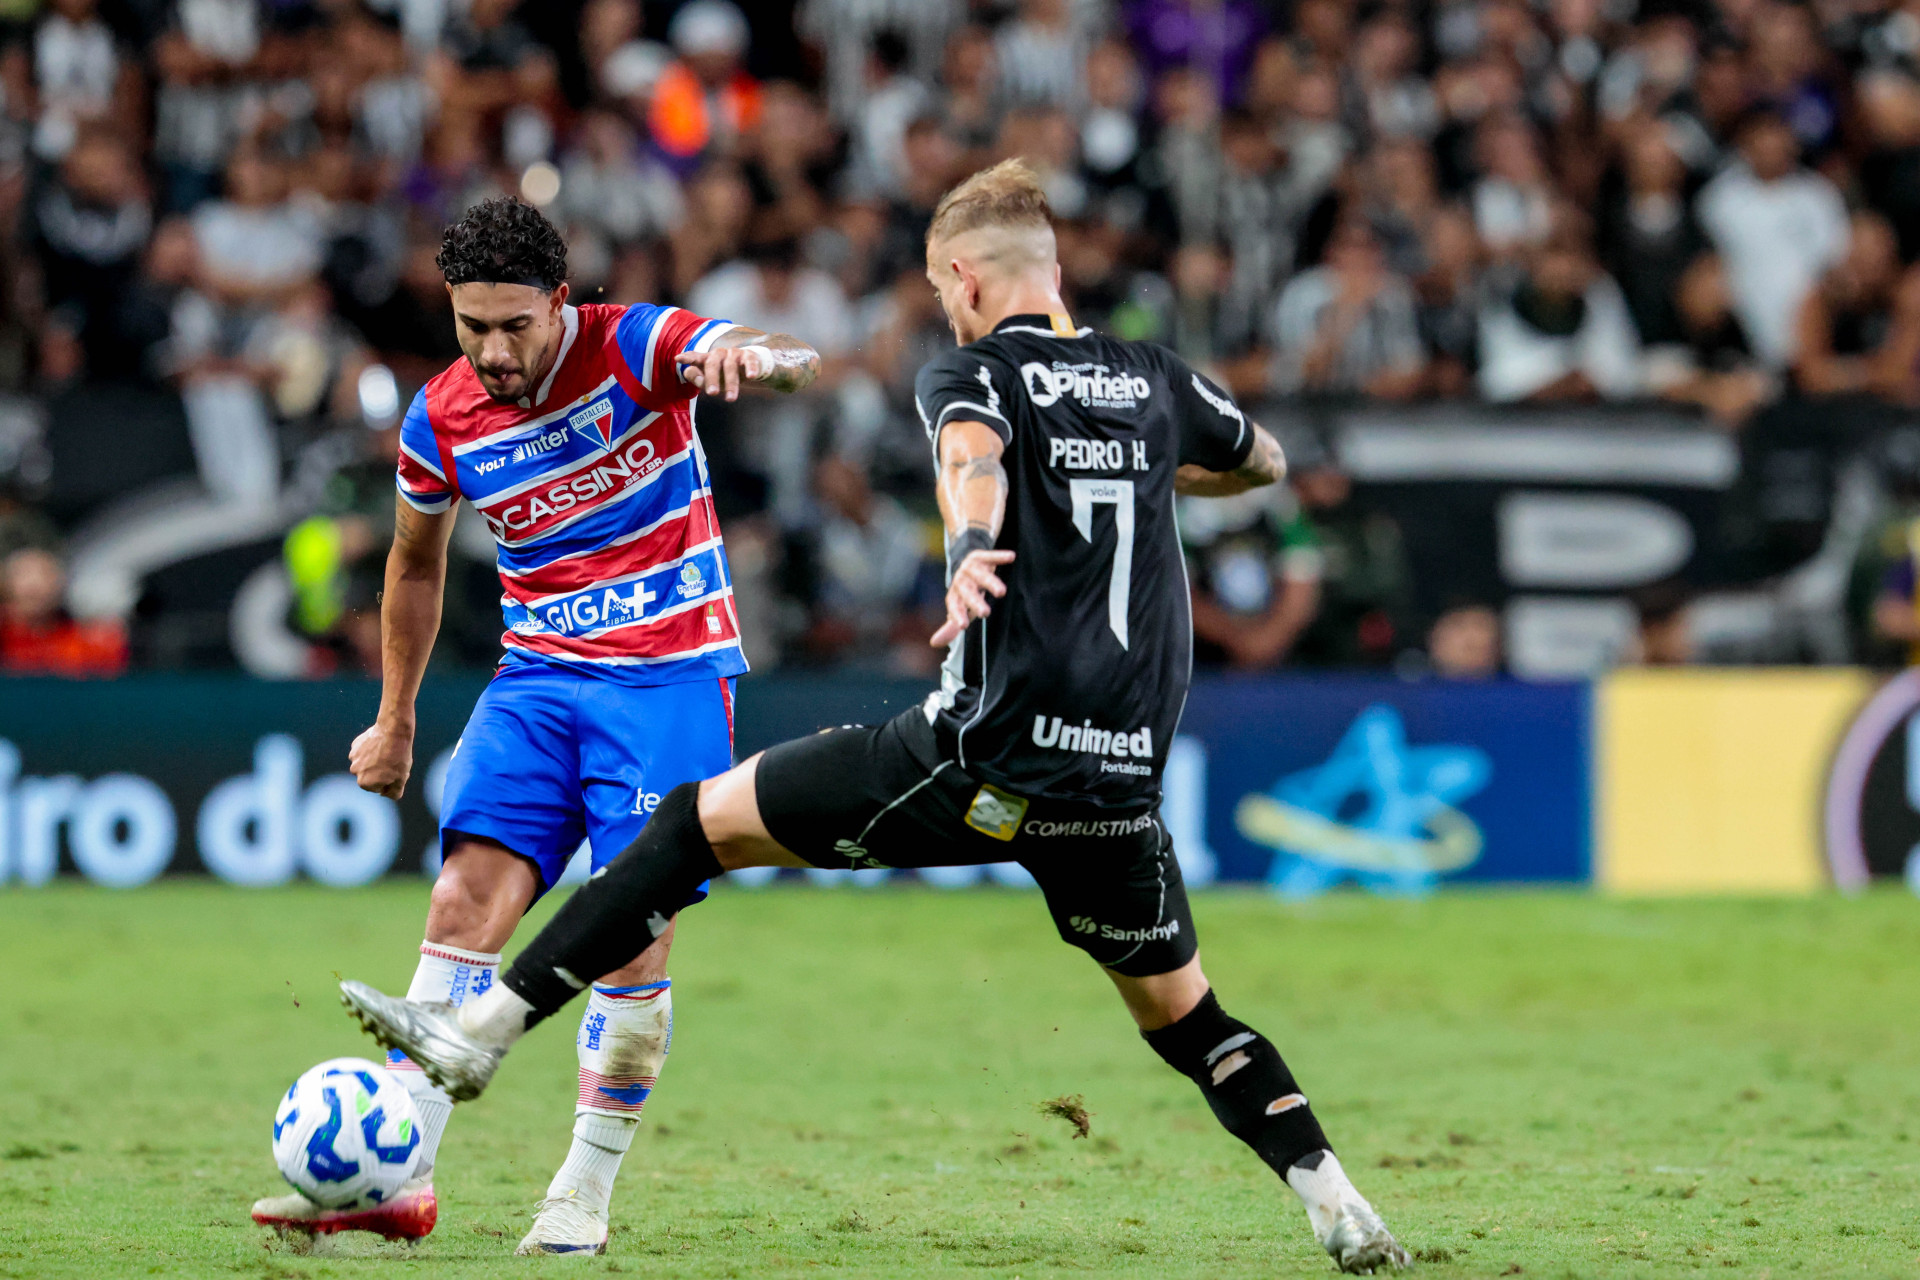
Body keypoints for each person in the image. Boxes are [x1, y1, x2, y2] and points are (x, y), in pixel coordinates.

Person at [339, 160, 1411, 1275]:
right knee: (1192, 1021)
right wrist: (1145, 464)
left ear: (964, 278)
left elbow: (969, 458)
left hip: (972, 757)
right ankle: (1339, 1203)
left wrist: (966, 547)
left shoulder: (972, 370)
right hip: (1116, 793)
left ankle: (483, 1034)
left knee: (693, 827)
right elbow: (1263, 459)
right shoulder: (1153, 379)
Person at [250, 197, 821, 1254]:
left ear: (562, 302)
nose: (495, 348)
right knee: (462, 896)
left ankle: (581, 1190)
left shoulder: (634, 344)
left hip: (667, 676)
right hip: (537, 679)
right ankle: (395, 1172)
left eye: (516, 324)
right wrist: (394, 718)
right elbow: (413, 565)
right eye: (474, 325)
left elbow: (772, 351)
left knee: (629, 930)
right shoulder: (442, 413)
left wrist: (761, 357)